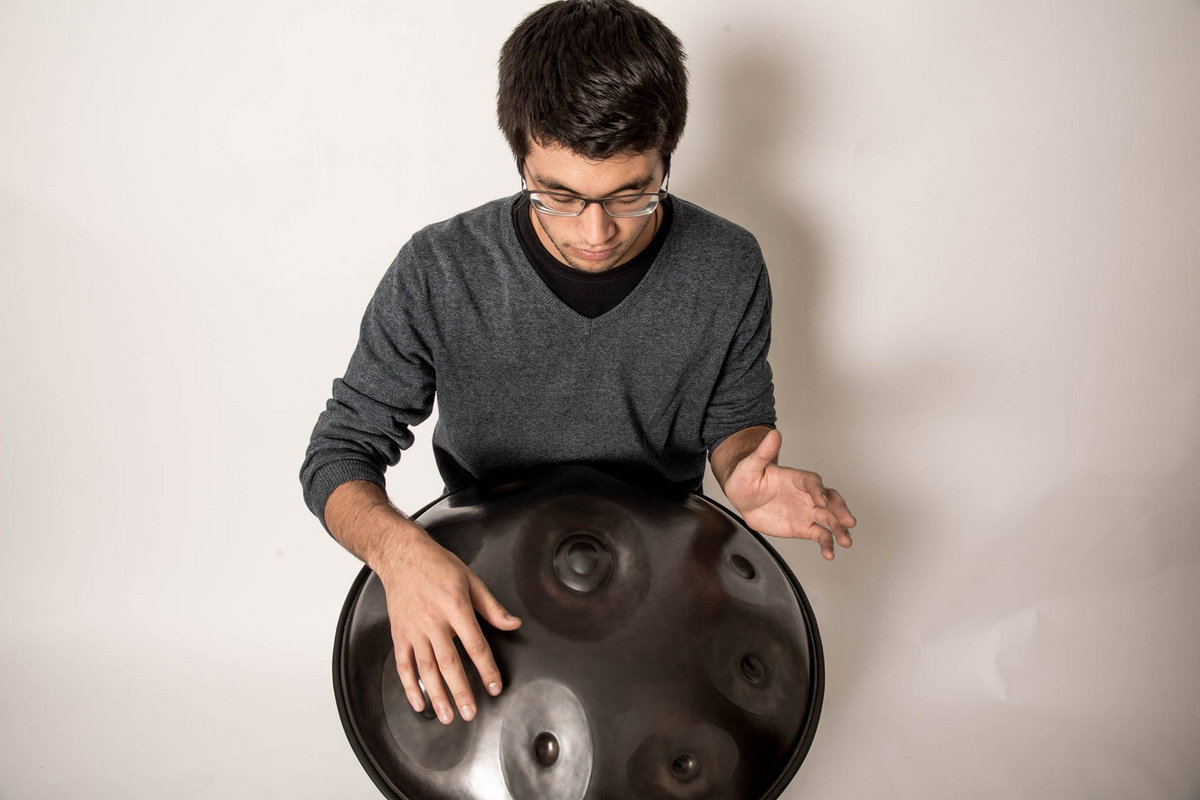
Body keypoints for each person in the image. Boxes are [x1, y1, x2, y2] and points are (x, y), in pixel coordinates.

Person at [300, 0, 856, 729]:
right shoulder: (440, 268)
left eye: (632, 194)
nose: (596, 233)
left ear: (667, 157)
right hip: (490, 583)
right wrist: (398, 551)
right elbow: (338, 453)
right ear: (520, 161)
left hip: (658, 585)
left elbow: (735, 421)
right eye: (558, 196)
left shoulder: (727, 264)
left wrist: (743, 469)